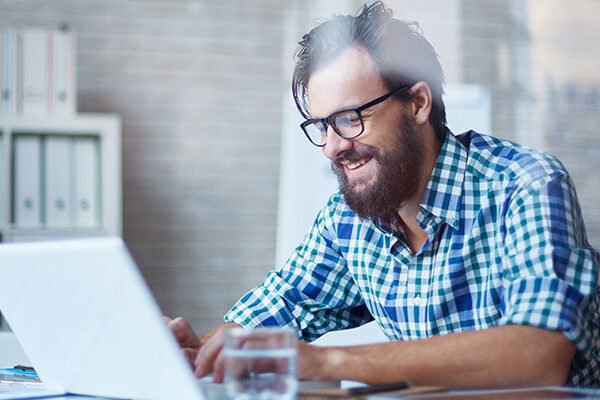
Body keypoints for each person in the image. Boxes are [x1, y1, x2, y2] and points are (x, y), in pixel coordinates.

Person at [167, 1, 600, 388]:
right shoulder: (348, 218)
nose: (333, 147)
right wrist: (200, 353)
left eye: (349, 118)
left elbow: (541, 351)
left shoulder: (526, 184)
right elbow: (282, 307)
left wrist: (327, 361)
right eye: (322, 126)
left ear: (417, 103)